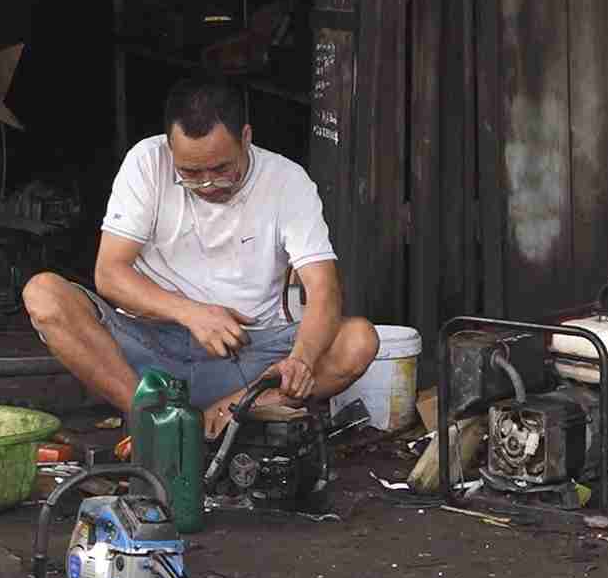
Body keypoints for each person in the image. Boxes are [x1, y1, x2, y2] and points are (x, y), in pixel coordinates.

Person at [24, 79, 379, 438]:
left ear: (246, 137)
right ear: (170, 148)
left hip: (247, 357)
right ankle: (154, 424)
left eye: (222, 169)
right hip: (149, 351)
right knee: (44, 294)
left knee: (359, 340)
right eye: (190, 173)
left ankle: (232, 411)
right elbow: (109, 274)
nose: (208, 184)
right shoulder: (147, 162)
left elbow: (324, 289)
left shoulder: (288, 181)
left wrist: (300, 360)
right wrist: (193, 313)